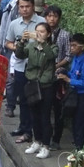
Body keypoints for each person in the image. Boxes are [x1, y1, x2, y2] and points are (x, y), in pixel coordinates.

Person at [15, 21, 57, 159]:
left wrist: (43, 43)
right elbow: (20, 55)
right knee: (34, 115)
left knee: (45, 117)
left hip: (46, 86)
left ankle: (46, 145)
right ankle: (36, 141)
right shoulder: (31, 46)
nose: (39, 34)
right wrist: (21, 41)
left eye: (42, 31)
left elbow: (51, 56)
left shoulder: (52, 47)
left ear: (49, 34)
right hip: (32, 84)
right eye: (37, 31)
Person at [57, 33, 84, 150]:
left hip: (81, 96)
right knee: (74, 121)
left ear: (82, 47)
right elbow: (73, 73)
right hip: (73, 93)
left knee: (80, 122)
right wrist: (65, 73)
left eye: (74, 46)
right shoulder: (75, 59)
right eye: (71, 45)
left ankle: (80, 147)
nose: (72, 48)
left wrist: (69, 80)